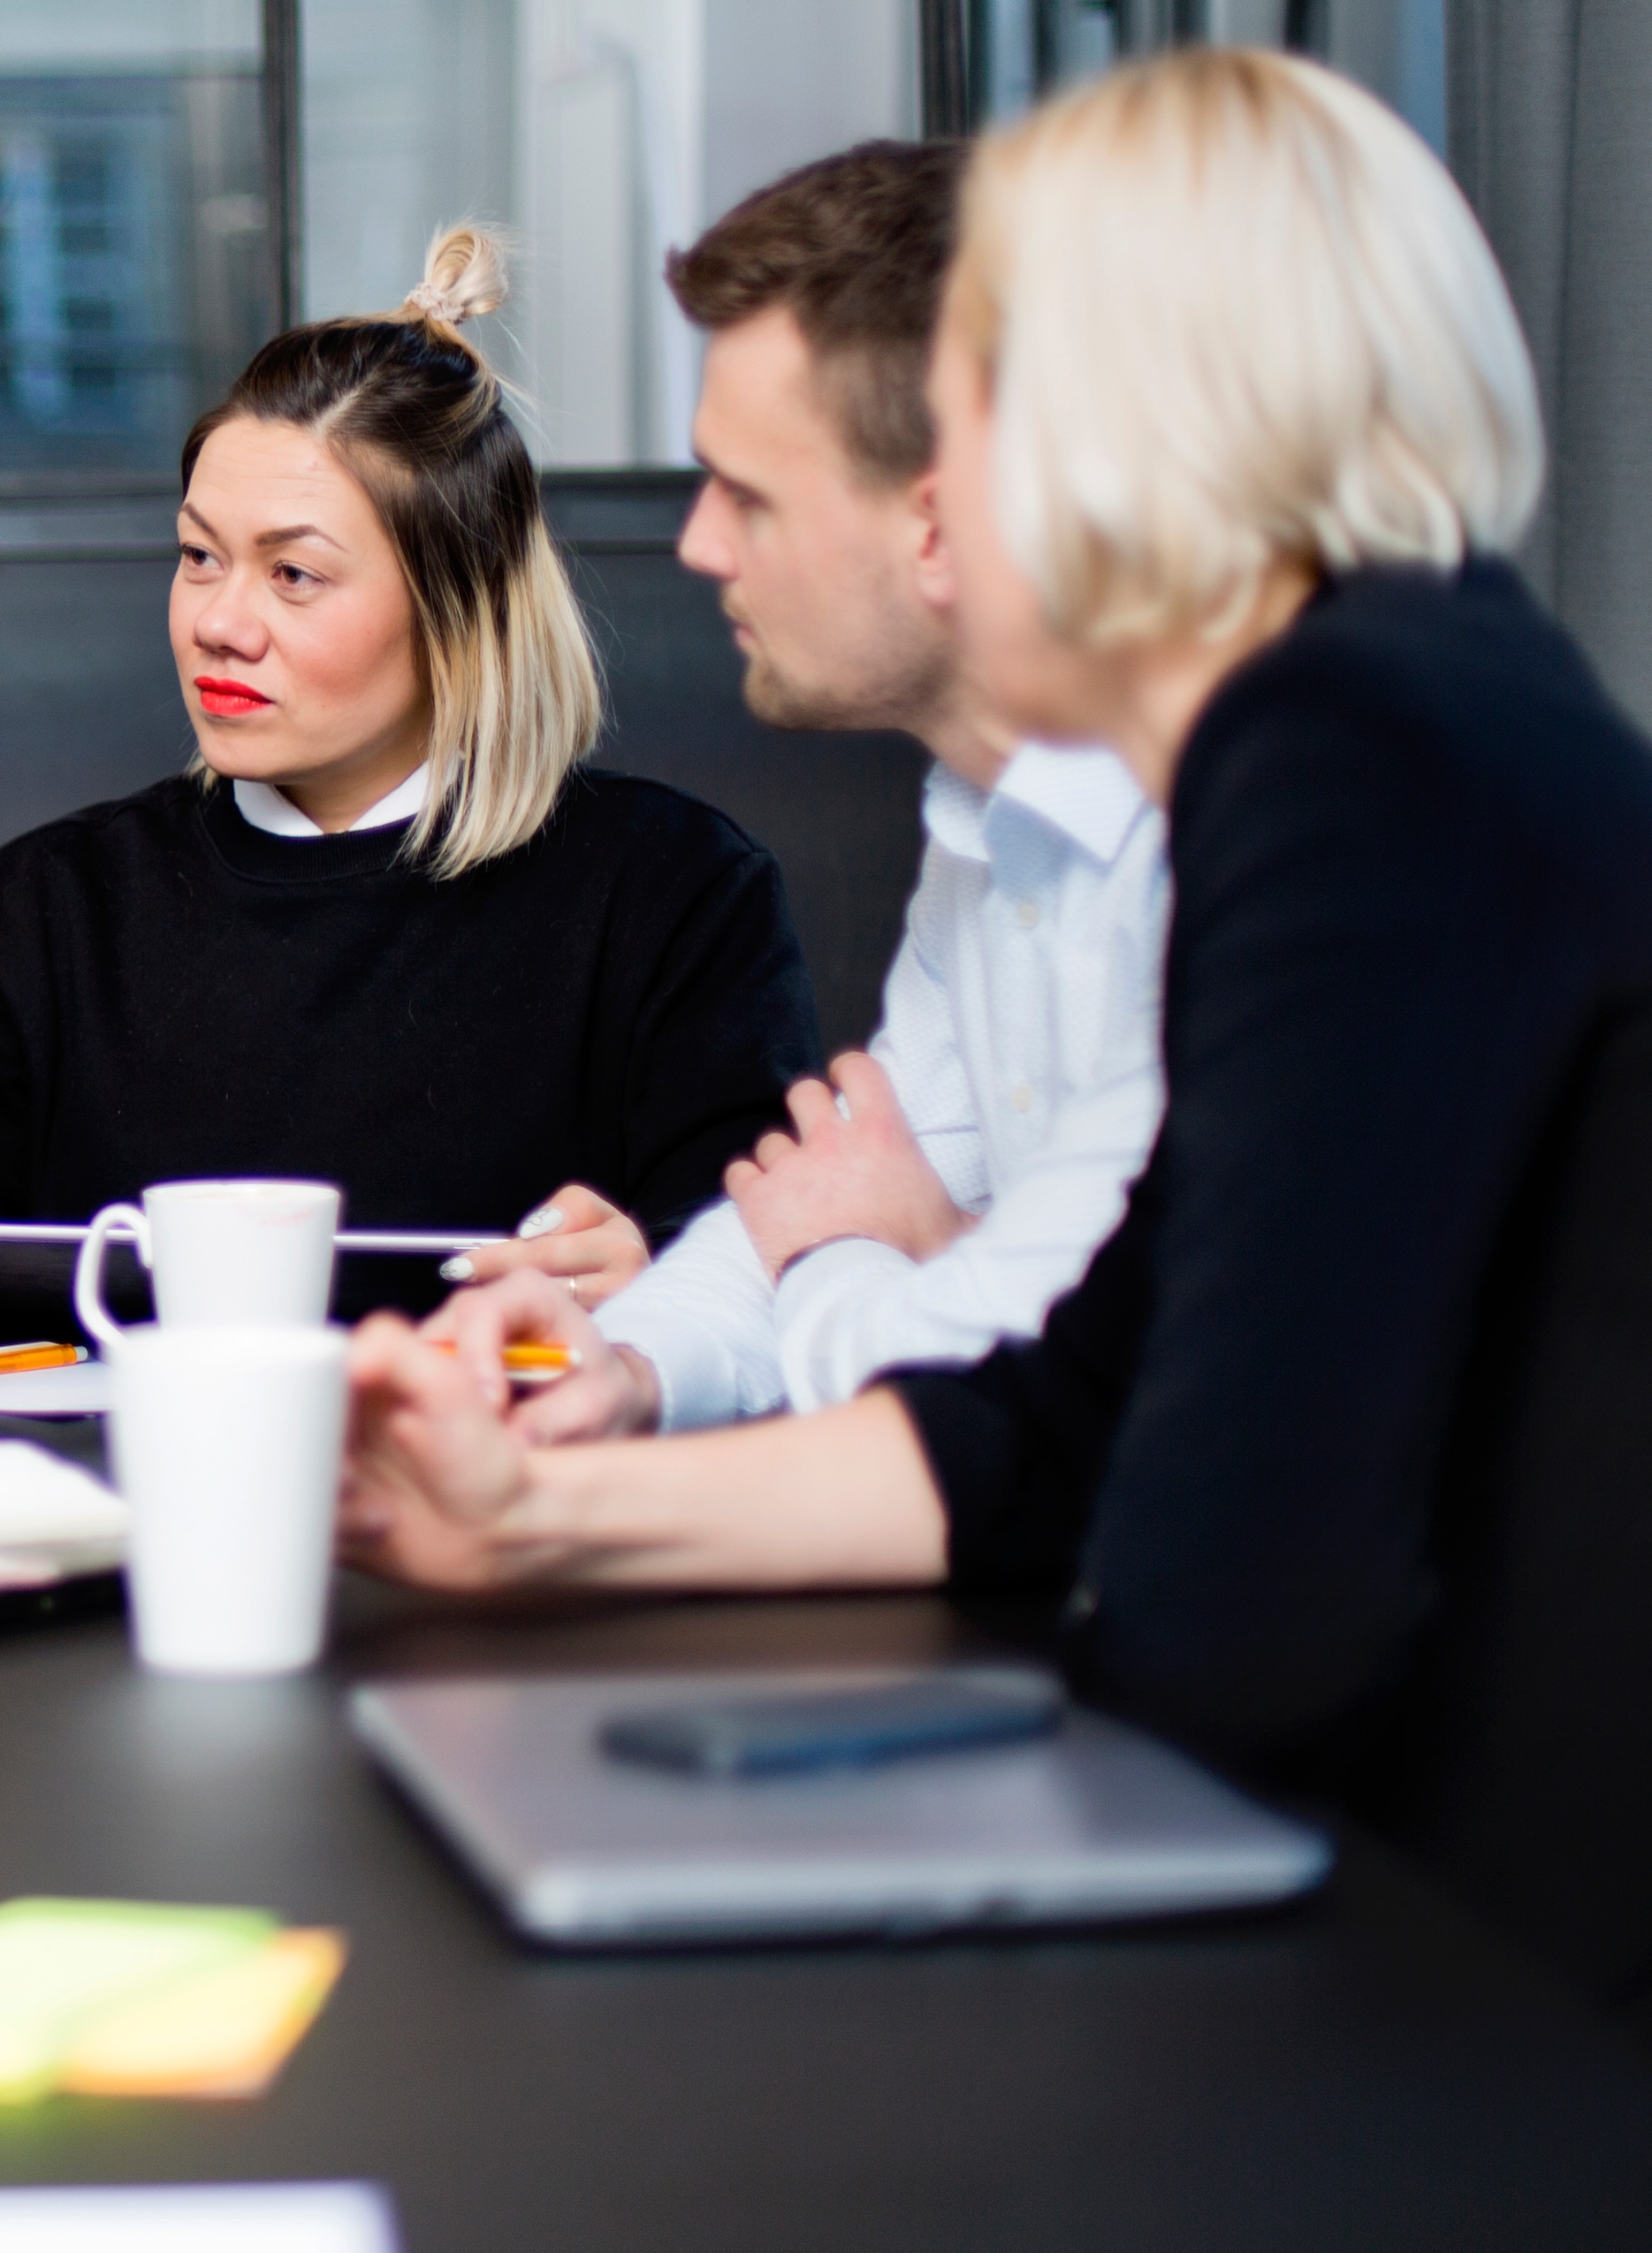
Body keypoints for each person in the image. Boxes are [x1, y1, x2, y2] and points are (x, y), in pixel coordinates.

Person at [339, 49, 1652, 2005]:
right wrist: (538, 1516)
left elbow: (1218, 1579)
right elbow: (1057, 1417)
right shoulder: (1409, 699)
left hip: (1477, 1986)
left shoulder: (1343, 741)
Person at [0, 231, 817, 1369]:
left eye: (291, 574)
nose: (218, 622)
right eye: (198, 557)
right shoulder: (20, 923)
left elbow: (770, 1305)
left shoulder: (675, 899)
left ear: (460, 605)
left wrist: (661, 1295)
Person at [456, 142, 1167, 1441]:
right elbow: (818, 1201)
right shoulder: (986, 825)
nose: (697, 543)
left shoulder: (1216, 849)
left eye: (748, 494)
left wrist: (855, 1254)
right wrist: (625, 1361)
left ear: (939, 527)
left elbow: (1030, 1374)